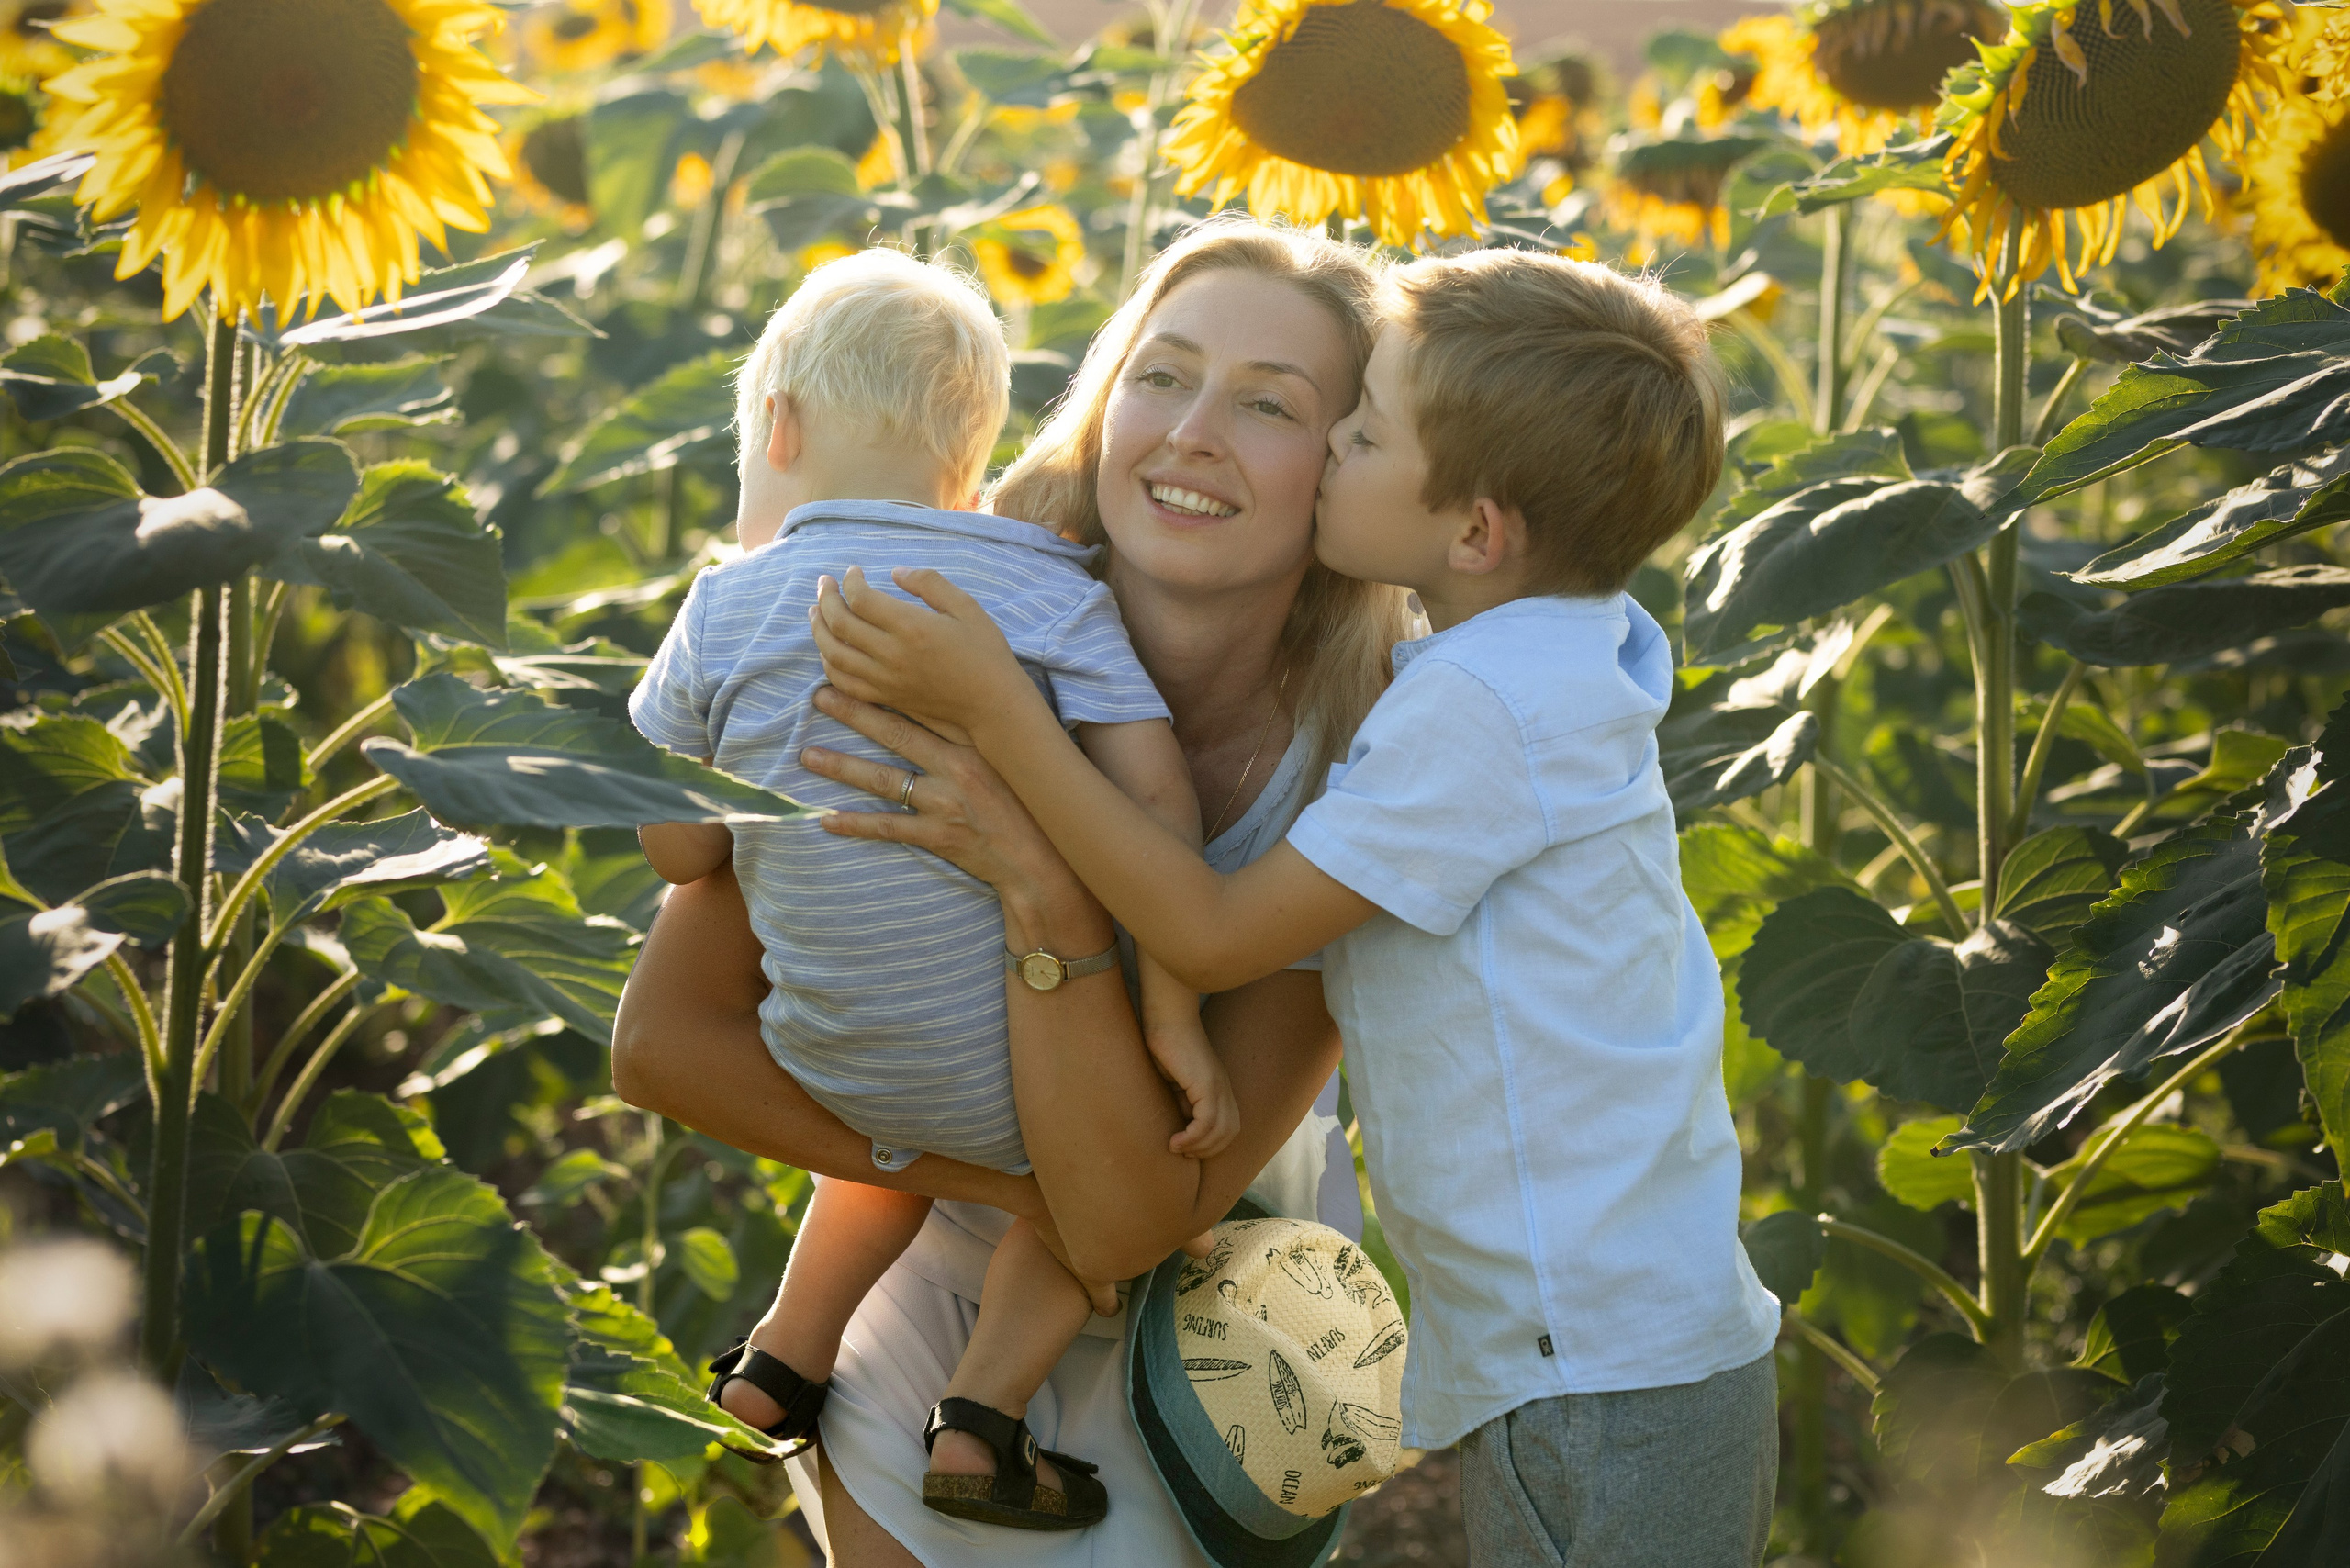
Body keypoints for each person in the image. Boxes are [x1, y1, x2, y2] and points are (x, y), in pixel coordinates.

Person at [809, 248, 1785, 1567]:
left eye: (1355, 431)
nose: (1331, 456)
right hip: (1603, 1340)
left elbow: (1213, 929)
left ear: (1476, 532)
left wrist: (999, 721)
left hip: (1593, 1360)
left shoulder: (1466, 711)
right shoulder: (1535, 663)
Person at [610, 217, 1409, 1565]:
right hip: (923, 1272)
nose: (1194, 431)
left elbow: (1131, 1214)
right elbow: (665, 1040)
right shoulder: (928, 614)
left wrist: (1042, 879)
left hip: (1199, 1342)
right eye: (1163, 373)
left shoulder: (1374, 759)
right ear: (1103, 397)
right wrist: (983, 1175)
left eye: (1269, 403)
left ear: (1345, 469)